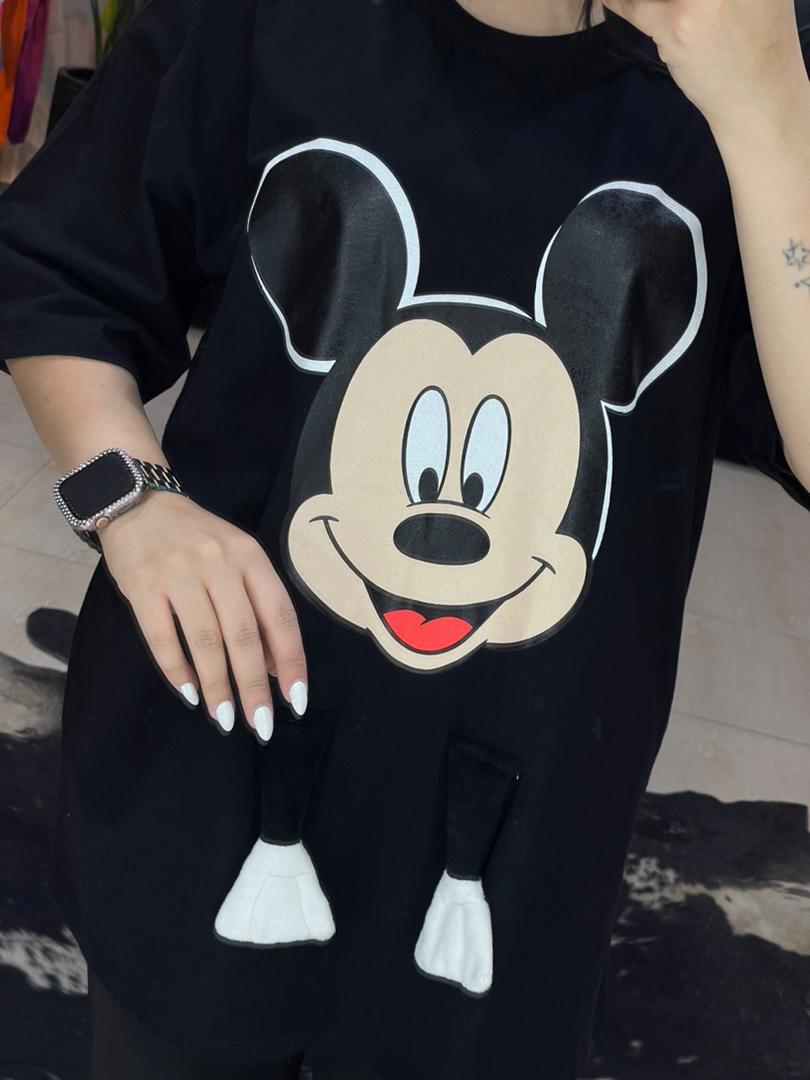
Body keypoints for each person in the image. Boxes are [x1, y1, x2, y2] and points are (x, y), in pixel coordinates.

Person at [1, 0, 809, 1077]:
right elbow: (62, 268)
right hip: (211, 769)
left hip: (512, 854)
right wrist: (132, 502)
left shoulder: (747, 72)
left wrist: (770, 107)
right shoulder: (271, 23)